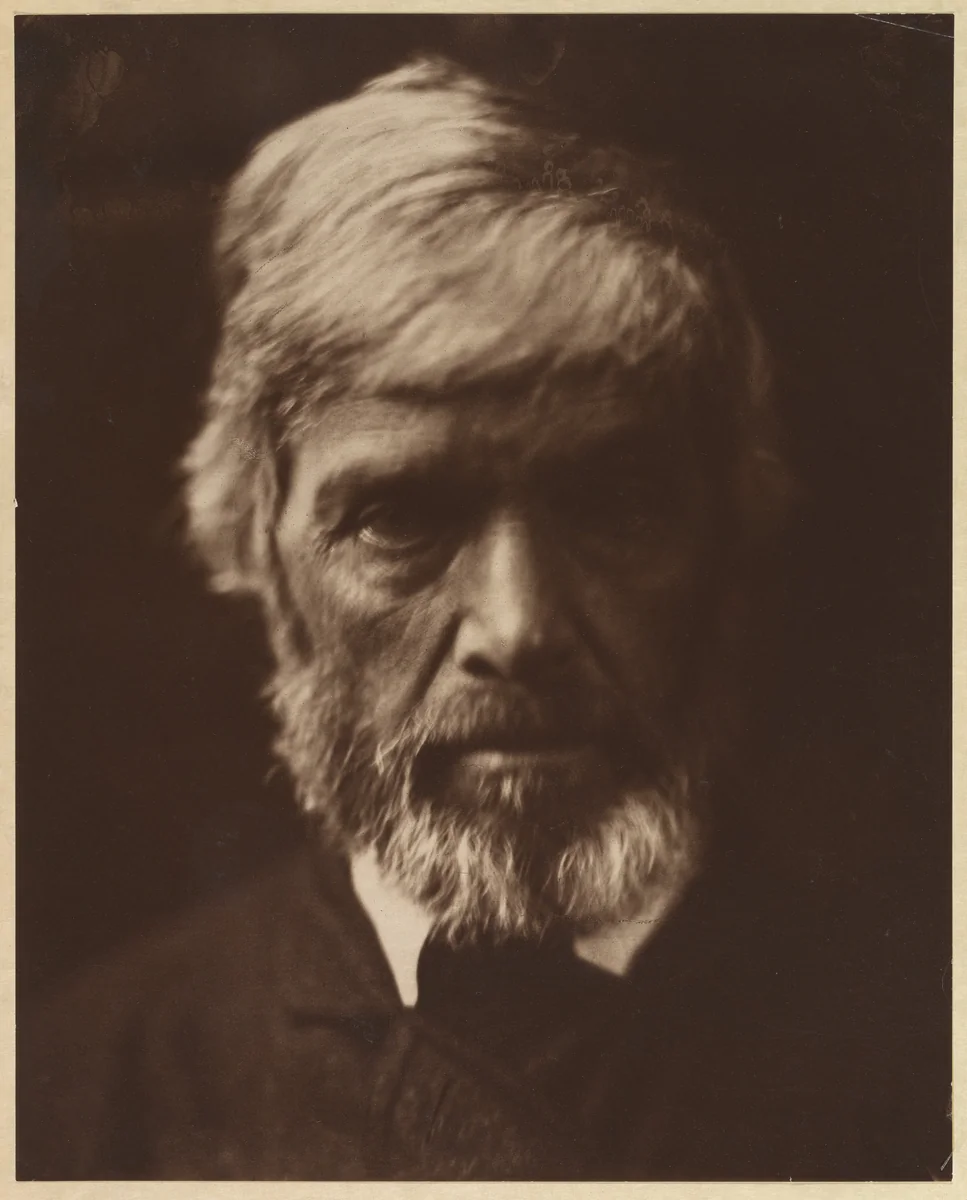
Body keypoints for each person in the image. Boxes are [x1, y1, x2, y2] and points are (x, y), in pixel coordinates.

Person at [16, 56, 934, 1181]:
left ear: (730, 530)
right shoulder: (80, 1092)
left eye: (613, 506)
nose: (516, 625)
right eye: (401, 519)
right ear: (257, 548)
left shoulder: (928, 1039)